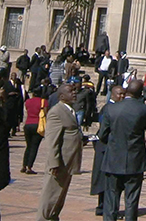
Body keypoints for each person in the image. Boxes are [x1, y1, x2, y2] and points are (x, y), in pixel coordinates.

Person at [98, 79, 146, 221]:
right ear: (141, 93)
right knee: (132, 200)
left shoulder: (111, 108)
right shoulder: (144, 109)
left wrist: (113, 144)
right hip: (135, 159)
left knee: (111, 198)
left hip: (114, 157)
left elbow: (102, 135)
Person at [36, 83, 83, 221]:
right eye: (70, 91)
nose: (74, 93)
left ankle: (53, 217)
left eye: (74, 90)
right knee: (51, 195)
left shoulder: (70, 110)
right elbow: (52, 140)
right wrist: (54, 162)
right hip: (59, 162)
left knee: (60, 195)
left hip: (69, 161)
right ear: (62, 96)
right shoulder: (57, 112)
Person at [91, 84, 125, 216]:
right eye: (119, 94)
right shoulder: (109, 108)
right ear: (113, 94)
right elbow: (104, 130)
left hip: (107, 147)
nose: (122, 96)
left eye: (123, 94)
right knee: (106, 180)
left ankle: (106, 207)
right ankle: (105, 208)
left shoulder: (114, 108)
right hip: (106, 147)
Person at [22, 88, 46, 174]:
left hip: (28, 124)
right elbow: (45, 113)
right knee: (34, 147)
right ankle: (29, 167)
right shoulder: (43, 102)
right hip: (37, 125)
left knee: (28, 146)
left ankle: (24, 165)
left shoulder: (28, 102)